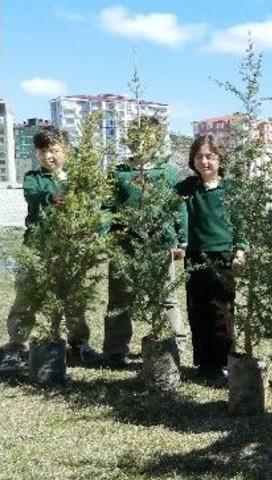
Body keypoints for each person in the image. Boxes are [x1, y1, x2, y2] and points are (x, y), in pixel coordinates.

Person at [0, 127, 103, 372]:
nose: (49, 156)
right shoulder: (33, 177)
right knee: (26, 296)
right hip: (38, 246)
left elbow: (93, 207)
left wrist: (93, 229)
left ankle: (79, 343)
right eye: (44, 151)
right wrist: (53, 197)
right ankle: (15, 347)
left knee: (74, 297)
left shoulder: (78, 178)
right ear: (37, 153)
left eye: (54, 150)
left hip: (71, 247)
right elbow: (34, 195)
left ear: (65, 149)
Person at [102, 117, 186, 368]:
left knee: (166, 297)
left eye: (148, 137)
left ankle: (175, 343)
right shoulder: (119, 173)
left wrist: (182, 239)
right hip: (124, 246)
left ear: (158, 139)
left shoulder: (168, 173)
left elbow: (177, 207)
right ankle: (115, 350)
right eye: (136, 136)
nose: (142, 142)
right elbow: (106, 207)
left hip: (161, 244)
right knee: (119, 298)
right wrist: (105, 233)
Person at [176, 134, 246, 384]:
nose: (204, 162)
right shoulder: (186, 188)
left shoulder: (231, 190)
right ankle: (204, 364)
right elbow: (167, 205)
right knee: (197, 309)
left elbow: (241, 222)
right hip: (195, 256)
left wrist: (240, 249)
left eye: (210, 157)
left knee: (221, 310)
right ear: (192, 160)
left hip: (222, 256)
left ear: (220, 160)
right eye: (199, 157)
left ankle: (224, 361)